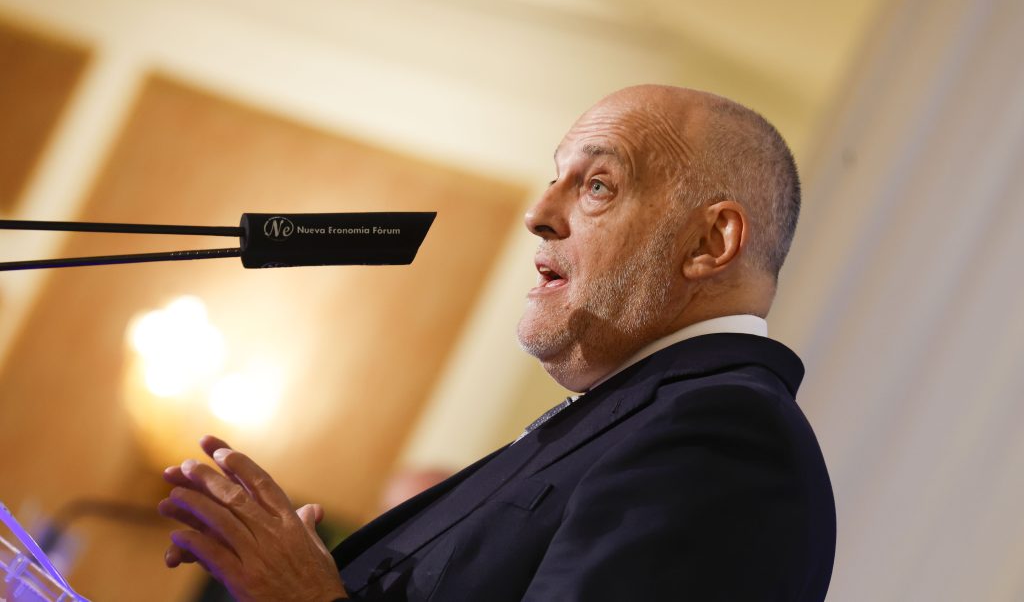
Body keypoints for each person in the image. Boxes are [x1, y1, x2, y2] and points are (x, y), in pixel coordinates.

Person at [159, 85, 836, 601]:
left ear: (709, 242)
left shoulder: (724, 437)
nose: (539, 214)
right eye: (555, 178)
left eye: (598, 185)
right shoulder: (639, 416)